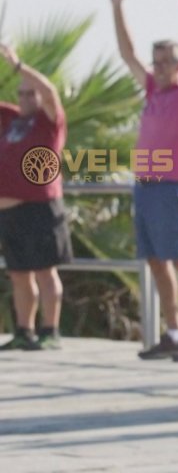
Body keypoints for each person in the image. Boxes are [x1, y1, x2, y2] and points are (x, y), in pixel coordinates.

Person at [111, 0, 178, 362]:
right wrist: (117, 5)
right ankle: (173, 331)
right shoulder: (152, 89)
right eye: (155, 62)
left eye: (166, 61)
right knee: (155, 260)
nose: (157, 68)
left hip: (171, 185)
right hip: (146, 183)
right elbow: (126, 52)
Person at [0, 43, 72, 351]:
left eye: (32, 93)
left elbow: (48, 89)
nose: (27, 98)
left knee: (45, 271)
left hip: (41, 207)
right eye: (22, 93)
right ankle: (24, 330)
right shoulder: (10, 119)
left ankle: (50, 329)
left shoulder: (49, 122)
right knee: (18, 273)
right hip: (10, 211)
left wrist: (18, 65)